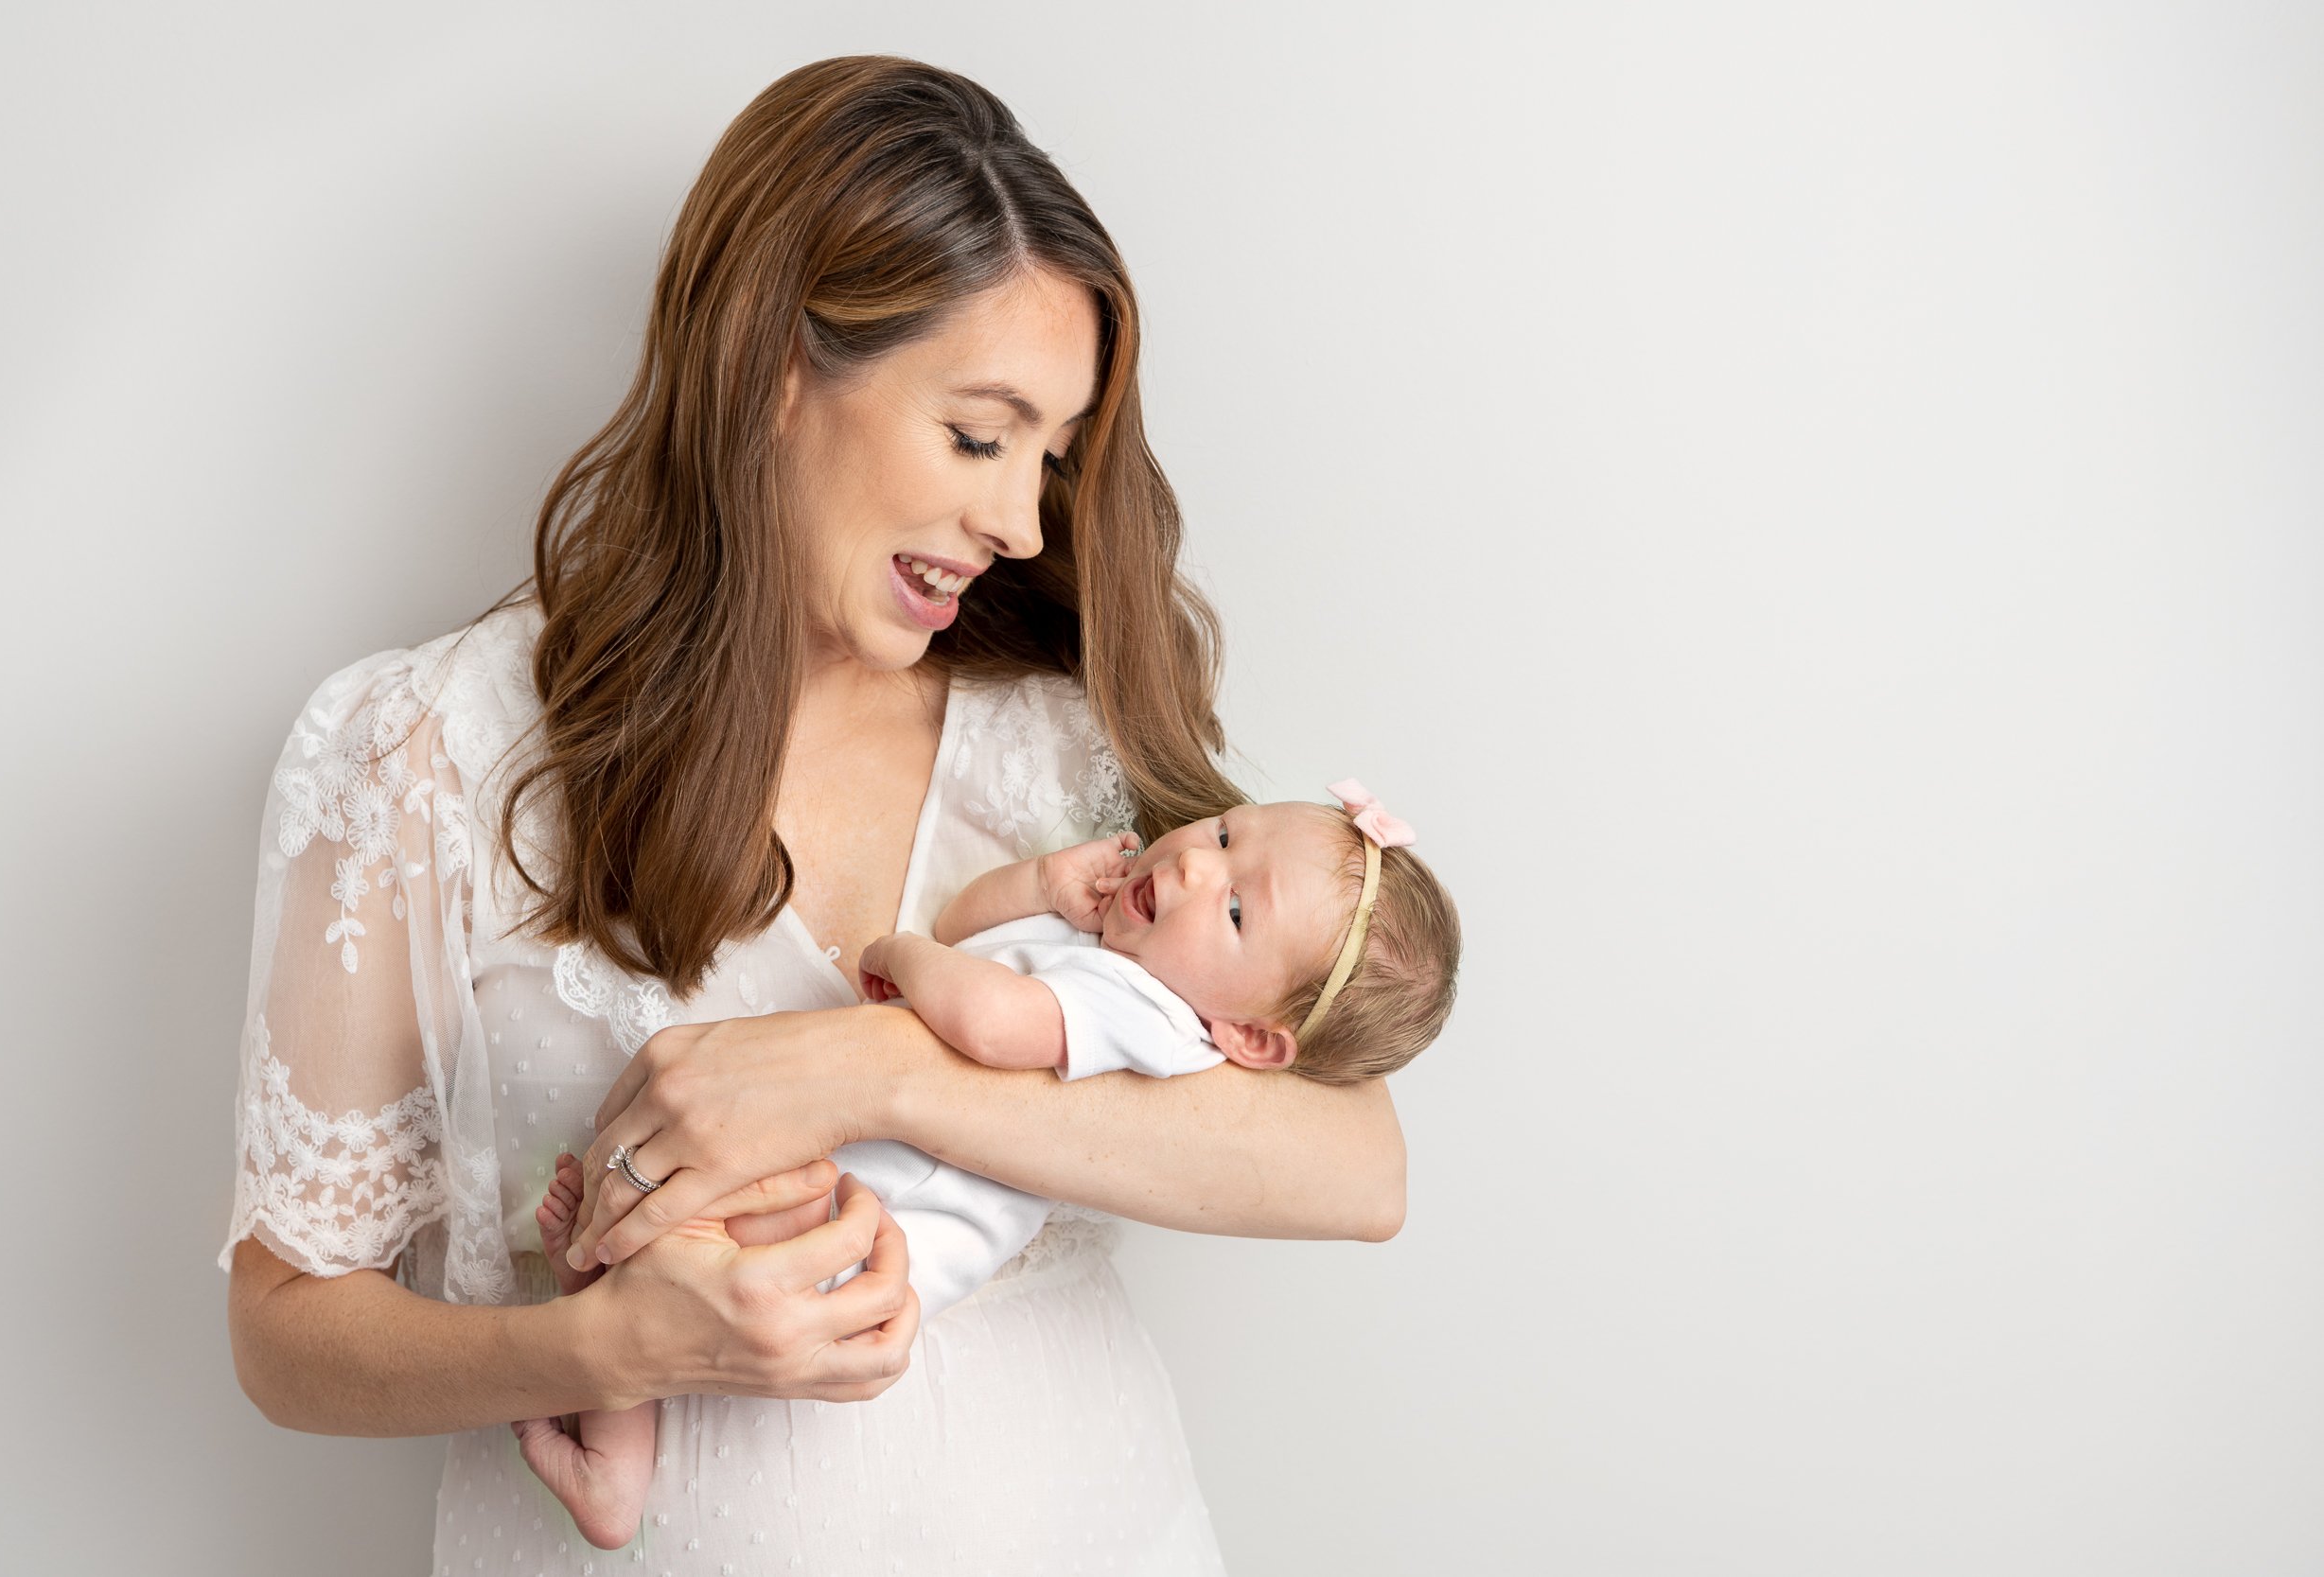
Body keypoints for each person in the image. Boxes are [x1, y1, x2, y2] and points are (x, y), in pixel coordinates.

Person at [220, 55, 1409, 1576]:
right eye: (981, 436)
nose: (1026, 521)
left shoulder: (1064, 748)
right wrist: (606, 1343)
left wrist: (870, 1069)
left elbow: (1356, 1164)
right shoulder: (423, 752)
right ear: (779, 367)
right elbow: (284, 1331)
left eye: (1052, 457)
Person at [517, 790, 1460, 1548]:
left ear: (1250, 1036)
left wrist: (904, 956)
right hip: (856, 1186)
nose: (1192, 863)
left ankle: (609, 1425)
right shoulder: (1109, 952)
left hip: (877, 1226)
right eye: (1222, 830)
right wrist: (1042, 884)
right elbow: (972, 925)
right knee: (672, 1266)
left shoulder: (1152, 1018)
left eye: (1237, 906)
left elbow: (992, 1022)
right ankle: (610, 1440)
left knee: (693, 1250)